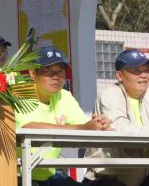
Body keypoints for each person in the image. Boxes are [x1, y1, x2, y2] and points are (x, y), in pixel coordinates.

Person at [16, 45, 111, 186]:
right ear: (32, 73)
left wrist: (99, 125)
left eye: (60, 71)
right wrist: (85, 128)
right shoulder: (20, 91)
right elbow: (29, 128)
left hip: (49, 175)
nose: (55, 76)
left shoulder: (64, 95)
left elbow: (86, 128)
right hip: (16, 175)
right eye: (48, 70)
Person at [84, 49, 149, 186]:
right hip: (109, 176)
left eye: (147, 70)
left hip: (146, 175)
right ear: (120, 76)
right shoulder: (109, 94)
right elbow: (122, 131)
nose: (144, 75)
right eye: (136, 71)